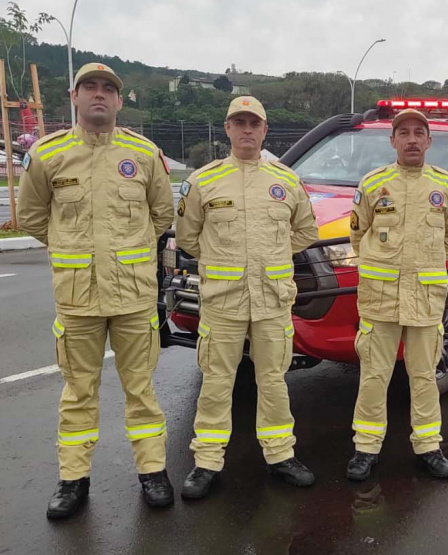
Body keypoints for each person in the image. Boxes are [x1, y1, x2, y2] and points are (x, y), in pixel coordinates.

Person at [17, 63, 175, 519]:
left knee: (141, 389)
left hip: (133, 296)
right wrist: (71, 248)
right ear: (75, 95)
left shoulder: (143, 154)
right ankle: (73, 480)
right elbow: (31, 216)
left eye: (109, 88)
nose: (100, 94)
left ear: (120, 100)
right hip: (77, 297)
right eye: (91, 86)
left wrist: (129, 252)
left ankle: (153, 471)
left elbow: (161, 216)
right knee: (77, 392)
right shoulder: (48, 155)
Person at [176, 96, 319, 499]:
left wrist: (271, 257)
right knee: (217, 380)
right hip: (223, 299)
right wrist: (225, 262)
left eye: (254, 123)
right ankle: (206, 461)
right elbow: (189, 237)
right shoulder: (203, 182)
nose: (247, 130)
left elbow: (306, 232)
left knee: (273, 379)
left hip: (272, 298)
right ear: (227, 129)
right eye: (239, 122)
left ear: (264, 130)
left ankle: (280, 455)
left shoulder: (286, 180)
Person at [345, 108, 448, 481]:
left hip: (426, 300)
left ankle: (428, 446)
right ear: (392, 140)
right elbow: (356, 233)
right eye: (404, 133)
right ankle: (366, 447)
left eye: (419, 132)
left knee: (424, 375)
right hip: (380, 299)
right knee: (374, 375)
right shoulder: (372, 183)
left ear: (429, 141)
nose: (411, 139)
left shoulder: (444, 186)